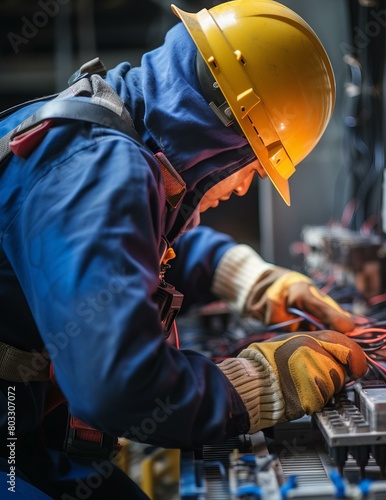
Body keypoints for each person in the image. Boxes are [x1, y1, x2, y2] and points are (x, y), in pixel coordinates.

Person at [0, 1, 367, 498]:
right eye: (253, 167)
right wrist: (259, 383)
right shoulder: (103, 169)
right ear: (223, 140)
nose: (242, 188)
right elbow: (116, 386)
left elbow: (116, 247)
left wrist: (250, 279)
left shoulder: (108, 133)